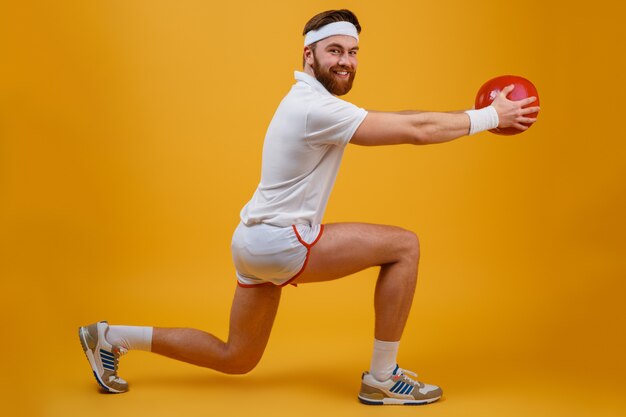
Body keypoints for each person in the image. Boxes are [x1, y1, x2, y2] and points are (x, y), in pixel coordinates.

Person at [78, 9, 539, 405]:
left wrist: (465, 113)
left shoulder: (313, 102)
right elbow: (416, 131)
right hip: (282, 242)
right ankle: (382, 379)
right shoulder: (313, 108)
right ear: (309, 55)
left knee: (236, 358)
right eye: (334, 51)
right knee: (404, 246)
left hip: (251, 242)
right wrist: (489, 118)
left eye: (353, 52)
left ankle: (112, 335)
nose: (346, 61)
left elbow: (397, 119)